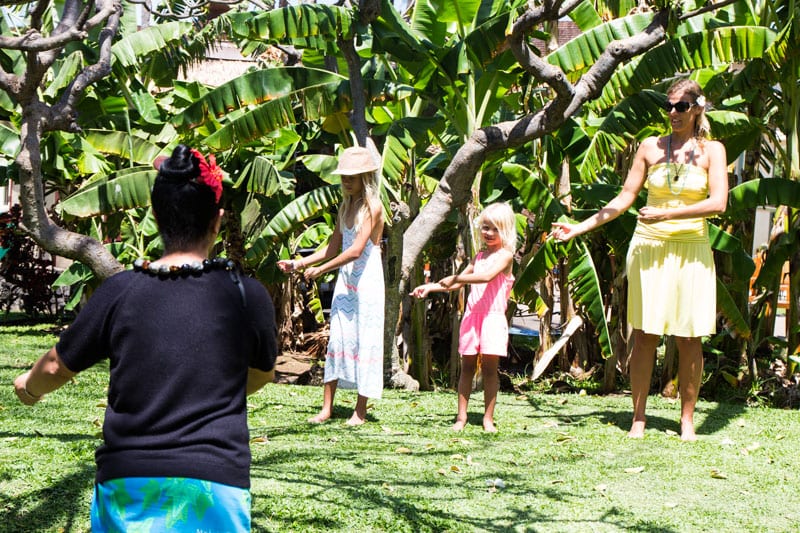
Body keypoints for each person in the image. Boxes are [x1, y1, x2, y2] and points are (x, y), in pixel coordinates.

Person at [14, 145, 278, 531]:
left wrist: (29, 387)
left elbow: (56, 365)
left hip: (128, 486)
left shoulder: (121, 290)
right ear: (217, 221)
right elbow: (261, 374)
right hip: (216, 485)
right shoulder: (246, 294)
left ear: (156, 216)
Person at [550, 79, 728, 441]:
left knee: (689, 337)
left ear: (697, 108)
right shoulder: (650, 147)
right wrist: (577, 227)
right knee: (645, 334)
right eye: (669, 106)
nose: (673, 113)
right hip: (649, 247)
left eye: (681, 107)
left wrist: (667, 215)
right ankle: (639, 416)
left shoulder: (713, 151)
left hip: (691, 248)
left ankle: (687, 420)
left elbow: (718, 203)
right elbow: (624, 198)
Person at [278, 146, 384, 426]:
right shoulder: (345, 206)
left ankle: (359, 411)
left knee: (365, 340)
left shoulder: (373, 207)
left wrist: (321, 271)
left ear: (365, 176)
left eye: (352, 176)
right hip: (346, 281)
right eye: (344, 176)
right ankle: (326, 408)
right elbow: (332, 248)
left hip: (367, 281)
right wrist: (298, 264)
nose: (347, 181)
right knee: (337, 338)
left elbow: (357, 250)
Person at [411, 202, 516, 432]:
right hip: (472, 318)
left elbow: (486, 277)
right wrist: (429, 287)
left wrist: (457, 279)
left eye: (495, 229)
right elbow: (454, 282)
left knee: (490, 370)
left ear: (505, 230)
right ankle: (461, 417)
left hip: (492, 319)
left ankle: (488, 419)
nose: (488, 233)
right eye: (485, 227)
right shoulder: (478, 256)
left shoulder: (506, 256)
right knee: (466, 368)